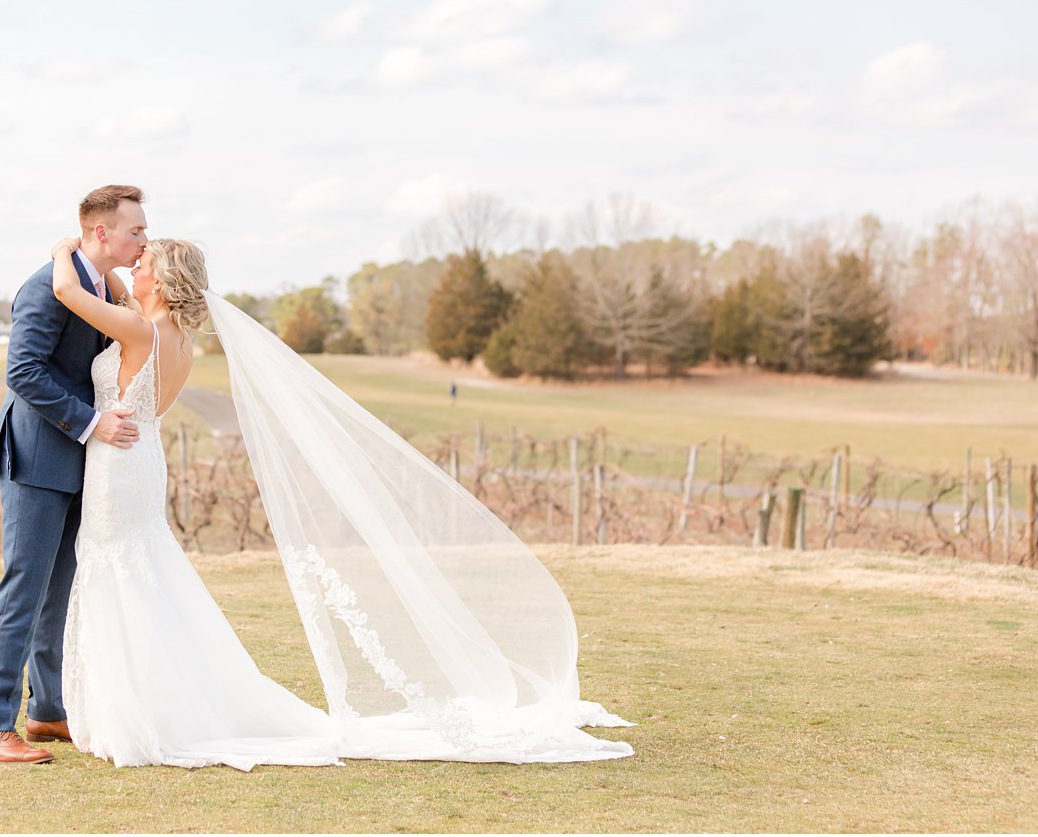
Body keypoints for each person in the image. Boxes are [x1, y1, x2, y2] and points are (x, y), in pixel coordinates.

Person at [44, 235, 635, 770]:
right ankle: (143, 703)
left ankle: (138, 714)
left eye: (143, 261)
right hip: (141, 460)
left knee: (116, 572)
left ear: (161, 279)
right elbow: (119, 289)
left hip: (119, 468)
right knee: (137, 575)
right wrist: (122, 261)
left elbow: (69, 287)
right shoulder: (174, 338)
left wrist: (71, 240)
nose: (133, 264)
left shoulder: (141, 332)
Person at [0, 186, 149, 764]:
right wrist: (93, 422)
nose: (143, 240)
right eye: (135, 231)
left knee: (60, 591)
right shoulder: (45, 287)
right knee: (24, 585)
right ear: (101, 232)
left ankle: (47, 711)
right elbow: (22, 371)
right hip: (37, 457)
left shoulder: (98, 285)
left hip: (77, 462)